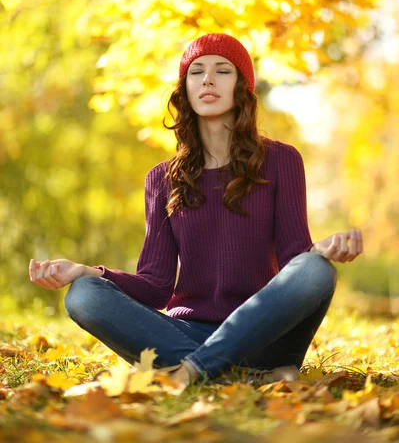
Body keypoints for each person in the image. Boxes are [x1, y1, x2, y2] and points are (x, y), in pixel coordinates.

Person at [29, 33, 363, 389]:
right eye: (196, 72)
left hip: (265, 334)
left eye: (222, 71)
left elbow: (295, 259)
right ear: (184, 89)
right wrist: (88, 271)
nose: (207, 79)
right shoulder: (161, 179)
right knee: (84, 293)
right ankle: (234, 375)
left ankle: (189, 372)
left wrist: (322, 251)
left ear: (241, 88)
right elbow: (156, 287)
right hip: (187, 332)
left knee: (315, 270)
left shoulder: (282, 160)